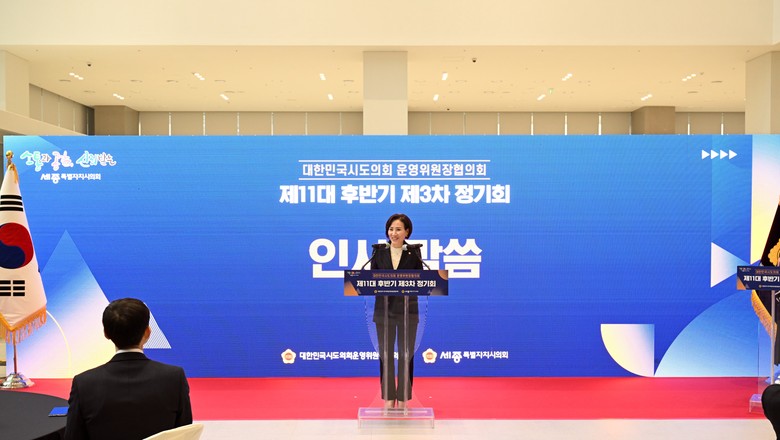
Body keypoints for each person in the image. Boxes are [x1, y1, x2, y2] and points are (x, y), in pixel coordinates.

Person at [64, 298, 193, 440]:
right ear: (148, 332)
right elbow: (185, 434)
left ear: (106, 333)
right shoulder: (174, 378)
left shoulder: (83, 383)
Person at [371, 213, 424, 410]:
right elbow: (370, 280)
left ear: (407, 232)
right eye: (391, 229)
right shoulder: (378, 252)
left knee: (406, 355)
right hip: (383, 312)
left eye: (398, 229)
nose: (394, 233)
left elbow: (422, 281)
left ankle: (402, 398)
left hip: (408, 312)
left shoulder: (414, 253)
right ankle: (388, 397)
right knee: (385, 355)